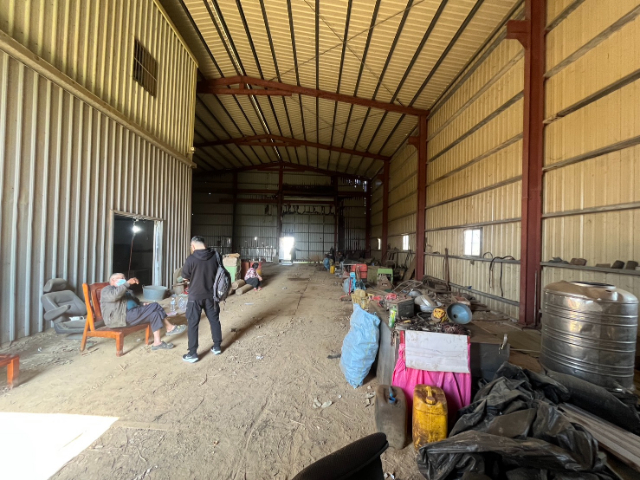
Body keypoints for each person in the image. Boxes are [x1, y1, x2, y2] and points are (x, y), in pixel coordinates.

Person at [100, 274, 186, 350]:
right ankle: (169, 327)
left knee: (155, 314)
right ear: (113, 280)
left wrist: (142, 304)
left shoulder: (126, 290)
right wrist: (127, 283)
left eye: (124, 278)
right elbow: (114, 296)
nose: (124, 279)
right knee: (155, 305)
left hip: (132, 314)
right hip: (120, 318)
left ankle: (157, 343)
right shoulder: (107, 290)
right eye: (121, 278)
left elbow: (135, 302)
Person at [181, 236, 222, 363]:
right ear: (205, 244)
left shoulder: (191, 259)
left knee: (193, 324)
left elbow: (185, 277)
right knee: (214, 320)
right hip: (211, 296)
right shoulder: (216, 256)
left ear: (193, 246)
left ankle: (193, 353)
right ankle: (217, 347)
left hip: (195, 297)